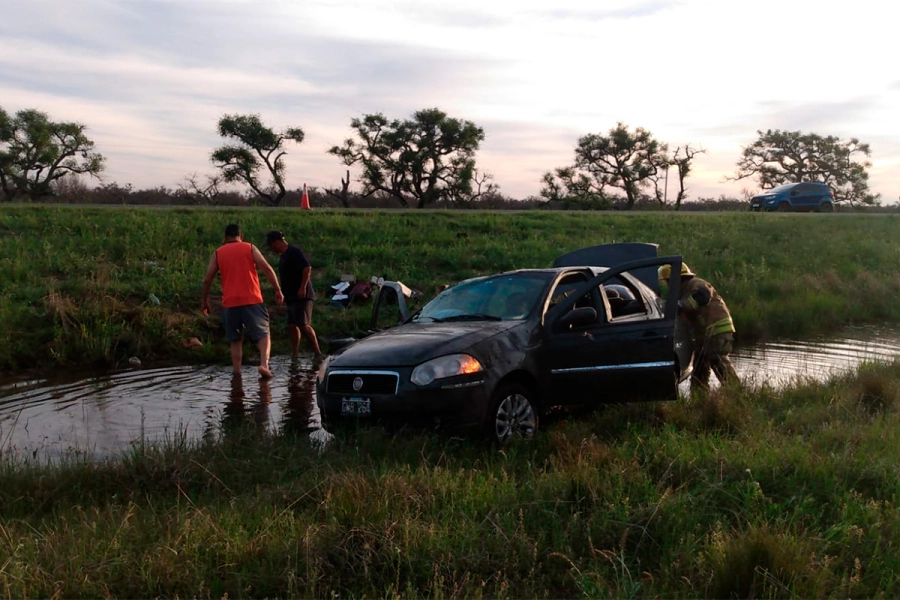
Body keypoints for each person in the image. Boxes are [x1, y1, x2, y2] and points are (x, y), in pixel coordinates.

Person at [201, 224, 284, 378]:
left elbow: (207, 280)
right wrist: (277, 289)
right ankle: (264, 365)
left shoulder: (218, 253)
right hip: (252, 298)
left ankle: (237, 372)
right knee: (263, 334)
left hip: (230, 302)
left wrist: (204, 300)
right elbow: (266, 268)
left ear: (225, 237)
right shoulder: (250, 248)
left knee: (235, 339)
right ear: (241, 236)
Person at [658, 262, 738, 392]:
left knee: (719, 363)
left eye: (668, 281)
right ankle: (699, 398)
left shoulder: (695, 284)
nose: (667, 285)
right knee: (700, 370)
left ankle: (737, 393)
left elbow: (703, 296)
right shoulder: (684, 291)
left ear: (676, 279)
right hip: (705, 335)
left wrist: (680, 305)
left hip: (716, 330)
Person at [265, 230, 322, 359]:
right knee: (292, 325)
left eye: (271, 245)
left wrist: (302, 288)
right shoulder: (284, 256)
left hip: (302, 295)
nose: (271, 249)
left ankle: (317, 352)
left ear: (276, 242)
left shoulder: (294, 251)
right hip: (291, 296)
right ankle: (295, 354)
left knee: (303, 324)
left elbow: (307, 268)